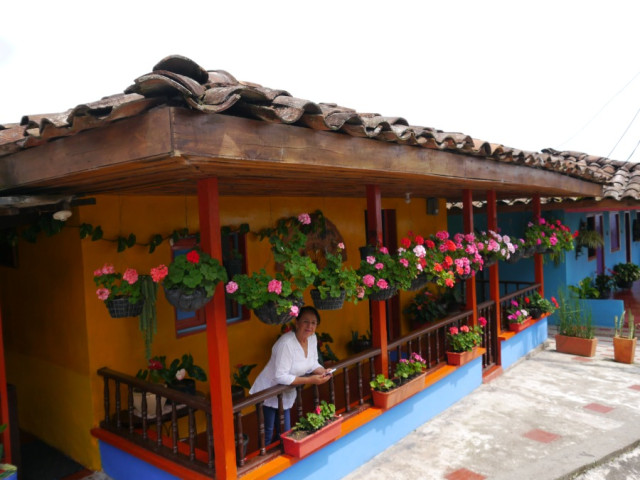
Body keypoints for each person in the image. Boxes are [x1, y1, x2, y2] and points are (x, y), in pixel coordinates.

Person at [249, 306, 332, 444]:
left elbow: (312, 363)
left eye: (313, 323)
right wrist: (310, 380)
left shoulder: (312, 339)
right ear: (297, 322)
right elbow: (280, 376)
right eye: (306, 321)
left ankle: (282, 460)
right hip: (269, 390)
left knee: (285, 432)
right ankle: (267, 464)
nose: (309, 326)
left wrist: (322, 371)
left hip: (285, 393)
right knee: (268, 433)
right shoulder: (286, 343)